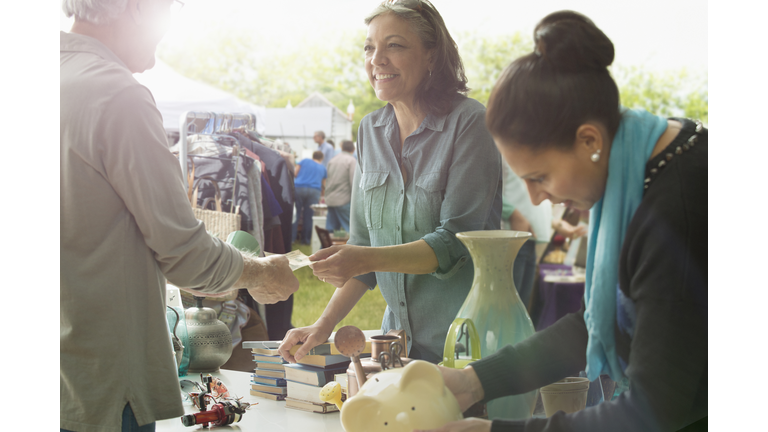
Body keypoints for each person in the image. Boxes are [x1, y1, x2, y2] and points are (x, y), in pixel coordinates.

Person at [419, 10, 707, 432]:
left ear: (589, 139)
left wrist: (494, 430)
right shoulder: (639, 164)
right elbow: (596, 321)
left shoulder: (677, 209)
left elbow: (656, 410)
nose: (537, 197)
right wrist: (472, 382)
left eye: (540, 176)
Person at [60, 1, 300, 431]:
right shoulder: (116, 95)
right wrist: (261, 273)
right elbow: (186, 257)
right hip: (103, 384)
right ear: (136, 8)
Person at [279, 0, 503, 364]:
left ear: (432, 56)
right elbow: (364, 244)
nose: (376, 59)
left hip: (466, 344)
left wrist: (362, 258)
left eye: (394, 45)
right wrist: (322, 326)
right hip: (398, 347)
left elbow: (455, 244)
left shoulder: (470, 123)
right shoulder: (370, 130)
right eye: (369, 47)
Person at [500, 162, 552, 308]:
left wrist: (555, 224)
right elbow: (486, 188)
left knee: (521, 307)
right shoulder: (504, 152)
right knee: (509, 307)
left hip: (530, 241)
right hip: (512, 238)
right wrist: (513, 214)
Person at [292, 150, 327, 245]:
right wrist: (322, 196)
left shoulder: (304, 161)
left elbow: (295, 173)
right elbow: (323, 185)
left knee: (296, 214)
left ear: (313, 156)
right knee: (309, 216)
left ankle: (292, 239)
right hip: (314, 191)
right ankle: (306, 240)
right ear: (322, 158)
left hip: (299, 188)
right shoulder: (323, 168)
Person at [324, 139, 357, 232]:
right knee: (351, 230)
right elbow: (353, 181)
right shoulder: (351, 160)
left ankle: (325, 246)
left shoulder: (332, 160)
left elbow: (328, 178)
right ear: (353, 149)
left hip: (330, 199)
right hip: (343, 200)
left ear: (342, 148)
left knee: (330, 231)